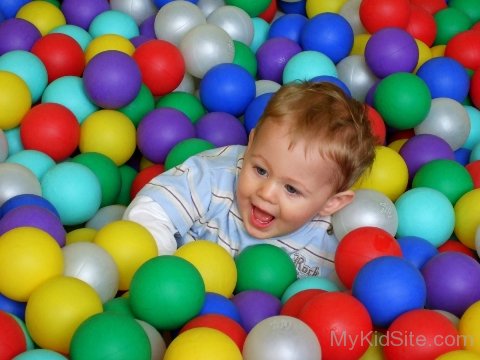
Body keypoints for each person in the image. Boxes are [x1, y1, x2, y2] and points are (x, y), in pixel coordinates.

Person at [123, 81, 377, 279]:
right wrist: (162, 266)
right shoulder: (215, 175)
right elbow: (153, 207)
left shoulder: (331, 248)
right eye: (261, 170)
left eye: (291, 189)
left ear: (331, 203)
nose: (266, 193)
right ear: (251, 144)